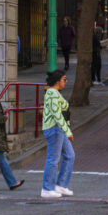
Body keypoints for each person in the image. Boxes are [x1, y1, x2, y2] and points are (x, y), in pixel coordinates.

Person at [40, 69, 74, 199]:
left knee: (69, 155)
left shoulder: (54, 93)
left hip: (58, 128)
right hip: (55, 128)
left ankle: (60, 185)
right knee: (54, 159)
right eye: (64, 79)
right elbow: (57, 114)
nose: (66, 82)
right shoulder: (53, 94)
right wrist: (67, 131)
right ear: (57, 81)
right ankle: (47, 188)